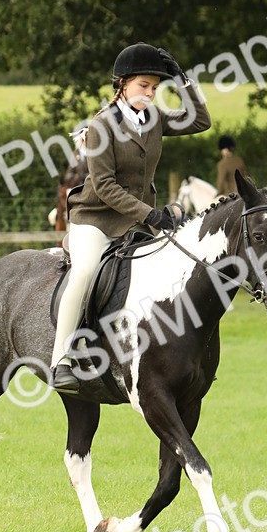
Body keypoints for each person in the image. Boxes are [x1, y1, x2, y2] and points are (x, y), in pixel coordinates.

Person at [49, 42, 211, 392]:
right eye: (143, 86)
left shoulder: (153, 120)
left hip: (137, 222)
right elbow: (104, 186)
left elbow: (201, 121)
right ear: (121, 84)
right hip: (96, 219)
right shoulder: (100, 127)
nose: (150, 94)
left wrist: (184, 81)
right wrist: (151, 215)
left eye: (154, 88)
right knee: (86, 271)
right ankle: (61, 359)